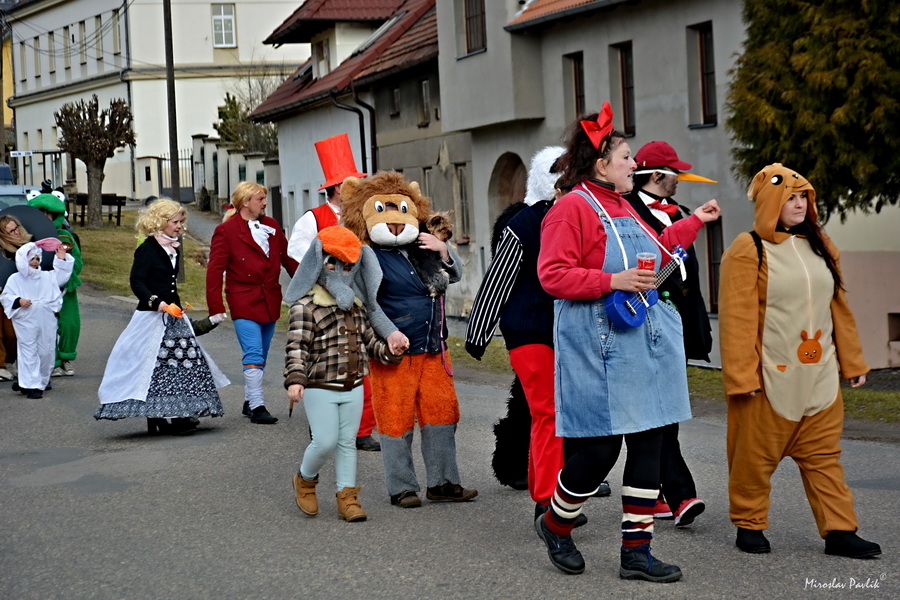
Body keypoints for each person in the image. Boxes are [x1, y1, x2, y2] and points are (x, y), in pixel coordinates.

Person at [534, 102, 720, 580]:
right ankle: (556, 523)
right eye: (626, 157)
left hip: (641, 341)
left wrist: (695, 221)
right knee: (600, 451)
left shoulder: (623, 206)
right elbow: (552, 275)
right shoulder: (571, 208)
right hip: (598, 344)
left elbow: (661, 252)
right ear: (601, 165)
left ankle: (636, 553)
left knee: (650, 442)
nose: (634, 164)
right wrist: (611, 281)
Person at [719, 163, 880, 559]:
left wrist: (852, 362)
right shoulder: (748, 248)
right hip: (769, 378)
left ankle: (840, 531)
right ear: (770, 201)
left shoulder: (821, 245)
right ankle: (749, 524)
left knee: (825, 459)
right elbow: (737, 319)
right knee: (754, 458)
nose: (799, 204)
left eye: (803, 196)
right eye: (789, 197)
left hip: (820, 377)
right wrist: (742, 377)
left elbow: (838, 308)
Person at [466, 146, 609, 527]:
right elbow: (498, 279)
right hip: (528, 331)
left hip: (568, 331)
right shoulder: (524, 223)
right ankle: (547, 502)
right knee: (548, 413)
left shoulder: (586, 221)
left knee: (559, 414)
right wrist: (478, 334)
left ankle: (547, 489)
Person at [339, 171, 477, 508]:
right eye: (383, 212)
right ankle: (401, 487)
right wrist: (390, 333)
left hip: (433, 347)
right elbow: (367, 304)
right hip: (395, 351)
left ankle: (443, 482)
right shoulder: (367, 255)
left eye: (401, 210)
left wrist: (444, 250)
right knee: (395, 419)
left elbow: (454, 276)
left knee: (441, 415)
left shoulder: (421, 245)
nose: (395, 222)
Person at [624, 140, 713, 527]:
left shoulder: (681, 213)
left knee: (662, 410)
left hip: (677, 325)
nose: (681, 178)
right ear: (658, 175)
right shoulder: (628, 212)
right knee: (658, 411)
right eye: (676, 172)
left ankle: (654, 492)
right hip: (644, 322)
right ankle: (680, 494)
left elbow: (688, 277)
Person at [285, 226, 401, 522]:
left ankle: (347, 497)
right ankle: (305, 479)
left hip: (354, 384)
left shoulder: (356, 307)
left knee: (347, 443)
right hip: (319, 385)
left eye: (349, 267)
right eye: (332, 265)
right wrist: (295, 380)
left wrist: (391, 350)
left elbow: (370, 342)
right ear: (318, 265)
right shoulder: (305, 306)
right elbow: (297, 346)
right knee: (324, 441)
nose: (341, 272)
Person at [94, 199, 228, 434]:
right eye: (175, 222)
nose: (179, 226)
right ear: (160, 222)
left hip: (174, 316)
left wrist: (174, 306)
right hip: (152, 317)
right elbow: (137, 281)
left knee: (183, 364)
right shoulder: (147, 248)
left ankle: (181, 412)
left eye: (180, 222)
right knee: (157, 367)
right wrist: (157, 303)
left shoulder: (173, 247)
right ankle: (162, 415)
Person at [287, 133, 380, 452]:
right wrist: (326, 273)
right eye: (355, 182)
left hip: (359, 301)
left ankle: (362, 430)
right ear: (340, 187)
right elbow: (297, 251)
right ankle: (322, 424)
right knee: (324, 363)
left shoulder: (365, 216)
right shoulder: (313, 218)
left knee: (363, 362)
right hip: (324, 303)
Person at [206, 181, 298, 424]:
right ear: (245, 202)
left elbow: (287, 259)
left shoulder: (272, 225)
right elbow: (214, 271)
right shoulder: (226, 231)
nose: (265, 203)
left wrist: (310, 284)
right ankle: (257, 405)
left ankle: (249, 401)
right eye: (260, 199)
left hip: (270, 300)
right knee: (254, 353)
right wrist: (216, 307)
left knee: (262, 355)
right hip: (243, 300)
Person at [0, 241, 73, 399]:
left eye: (37, 259)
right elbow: (6, 296)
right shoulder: (15, 279)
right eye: (31, 259)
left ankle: (38, 380)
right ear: (23, 260)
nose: (34, 262)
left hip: (46, 317)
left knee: (46, 350)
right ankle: (32, 384)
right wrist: (19, 301)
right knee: (29, 350)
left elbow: (61, 277)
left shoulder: (47, 276)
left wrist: (61, 259)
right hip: (26, 319)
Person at [27, 192, 83, 378]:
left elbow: (78, 262)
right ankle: (54, 361)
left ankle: (66, 357)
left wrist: (66, 265)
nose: (44, 217)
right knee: (46, 325)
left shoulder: (65, 236)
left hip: (65, 288)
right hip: (40, 287)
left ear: (55, 215)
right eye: (40, 213)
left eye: (48, 213)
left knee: (69, 323)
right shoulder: (29, 236)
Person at [0, 215, 32, 381]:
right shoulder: (2, 250)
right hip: (1, 292)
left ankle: (9, 362)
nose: (16, 232)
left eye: (16, 228)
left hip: (17, 296)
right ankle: (0, 365)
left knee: (12, 333)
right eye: (11, 231)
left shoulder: (28, 247)